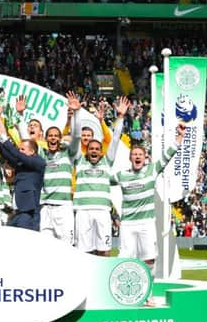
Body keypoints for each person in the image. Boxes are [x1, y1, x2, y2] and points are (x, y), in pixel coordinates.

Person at [110, 123, 185, 272]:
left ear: (145, 157)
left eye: (140, 154)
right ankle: (128, 292)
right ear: (130, 158)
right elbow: (102, 180)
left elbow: (167, 155)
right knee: (125, 259)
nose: (137, 157)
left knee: (149, 259)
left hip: (147, 223)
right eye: (134, 154)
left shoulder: (152, 170)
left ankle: (148, 291)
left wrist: (180, 136)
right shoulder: (121, 175)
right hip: (128, 224)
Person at [73, 96, 129, 256]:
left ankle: (104, 278)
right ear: (86, 150)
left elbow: (115, 139)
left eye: (97, 148)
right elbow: (76, 137)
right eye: (91, 148)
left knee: (104, 250)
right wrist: (77, 113)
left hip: (103, 211)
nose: (94, 151)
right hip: (83, 211)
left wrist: (120, 117)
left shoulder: (107, 161)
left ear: (101, 151)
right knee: (83, 252)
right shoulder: (79, 160)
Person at [38, 91, 82, 243]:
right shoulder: (42, 155)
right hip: (45, 207)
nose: (53, 138)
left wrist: (76, 113)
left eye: (56, 135)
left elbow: (76, 136)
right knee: (45, 247)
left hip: (64, 207)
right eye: (50, 135)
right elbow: (25, 140)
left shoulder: (68, 154)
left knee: (66, 247)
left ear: (60, 138)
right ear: (46, 138)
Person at [0, 117, 46, 231]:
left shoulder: (38, 162)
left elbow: (16, 154)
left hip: (28, 212)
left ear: (32, 151)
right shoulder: (22, 164)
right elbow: (7, 154)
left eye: (22, 149)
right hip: (17, 212)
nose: (19, 151)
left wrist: (3, 136)